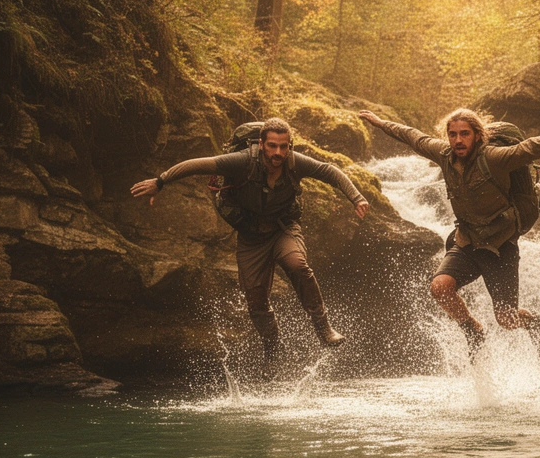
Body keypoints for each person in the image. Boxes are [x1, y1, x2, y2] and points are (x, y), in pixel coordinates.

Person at [359, 108, 540, 361]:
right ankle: (472, 328)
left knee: (506, 318)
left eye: (464, 134)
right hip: (468, 240)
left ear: (477, 135)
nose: (458, 140)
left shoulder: (492, 158)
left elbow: (526, 149)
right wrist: (382, 123)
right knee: (440, 287)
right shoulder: (444, 155)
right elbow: (413, 137)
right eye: (452, 134)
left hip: (499, 245)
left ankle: (536, 323)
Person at [130, 117, 369, 363]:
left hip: (283, 229)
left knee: (297, 265)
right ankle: (273, 347)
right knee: (256, 301)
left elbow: (329, 171)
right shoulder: (243, 161)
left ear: (289, 146)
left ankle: (324, 329)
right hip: (251, 237)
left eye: (284, 146)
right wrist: (161, 182)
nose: (278, 152)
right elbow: (197, 165)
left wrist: (357, 197)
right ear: (262, 144)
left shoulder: (295, 163)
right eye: (273, 146)